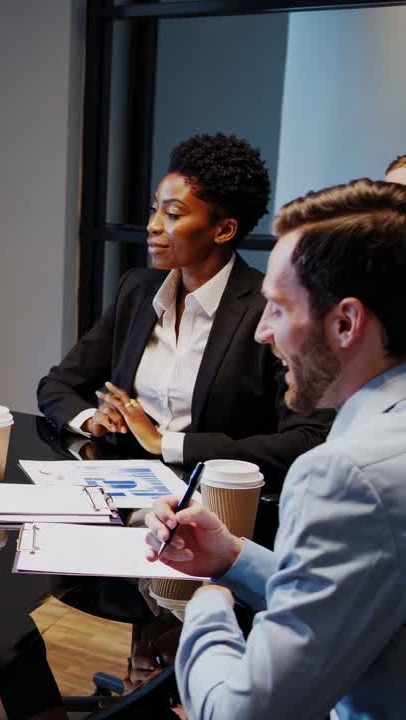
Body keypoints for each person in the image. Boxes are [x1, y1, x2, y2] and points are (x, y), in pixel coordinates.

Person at [144, 179, 406, 718]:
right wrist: (234, 559)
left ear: (345, 323)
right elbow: (367, 595)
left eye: (279, 309)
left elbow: (242, 712)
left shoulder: (343, 474)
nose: (263, 332)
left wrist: (208, 607)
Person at [37, 133, 332, 488]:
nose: (153, 225)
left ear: (224, 230)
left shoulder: (266, 308)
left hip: (216, 502)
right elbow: (57, 385)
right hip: (126, 486)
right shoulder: (137, 289)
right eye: (154, 209)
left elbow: (306, 439)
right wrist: (92, 419)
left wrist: (166, 443)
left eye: (173, 214)